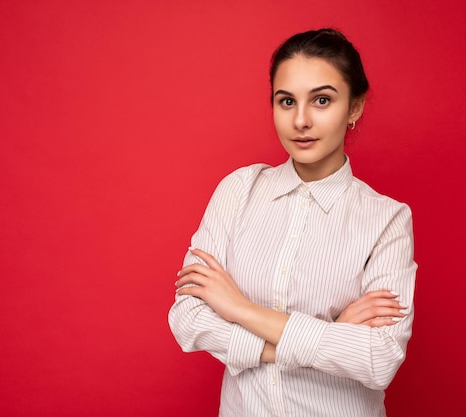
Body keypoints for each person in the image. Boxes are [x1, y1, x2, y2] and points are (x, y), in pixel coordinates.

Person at [168, 28, 417, 417]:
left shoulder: (386, 219)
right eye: (286, 101)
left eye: (322, 100)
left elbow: (379, 359)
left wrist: (238, 308)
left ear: (355, 107)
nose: (301, 120)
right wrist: (329, 337)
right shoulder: (239, 190)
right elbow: (187, 318)